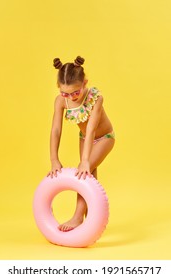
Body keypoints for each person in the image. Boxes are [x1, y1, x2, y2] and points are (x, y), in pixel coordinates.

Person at [47, 56, 115, 232]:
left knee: (83, 170)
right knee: (89, 175)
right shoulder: (60, 101)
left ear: (84, 83)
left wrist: (84, 160)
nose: (71, 97)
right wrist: (54, 159)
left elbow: (92, 129)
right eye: (65, 93)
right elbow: (55, 130)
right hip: (84, 138)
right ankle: (93, 218)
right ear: (59, 88)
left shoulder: (95, 98)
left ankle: (77, 218)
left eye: (75, 92)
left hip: (104, 137)